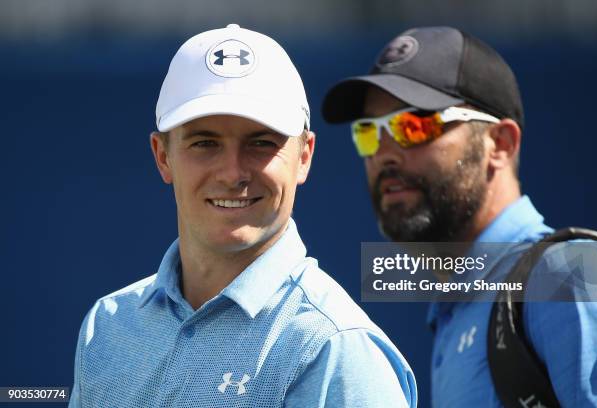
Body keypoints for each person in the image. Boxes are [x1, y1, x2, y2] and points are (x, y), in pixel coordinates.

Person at [68, 24, 417, 408]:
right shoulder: (108, 325)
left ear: (304, 157)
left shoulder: (336, 348)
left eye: (261, 143)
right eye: (205, 143)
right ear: (162, 156)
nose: (233, 173)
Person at [322, 26, 597, 407]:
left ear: (500, 145)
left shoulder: (571, 275)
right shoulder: (453, 308)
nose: (384, 154)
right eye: (368, 133)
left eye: (415, 125)